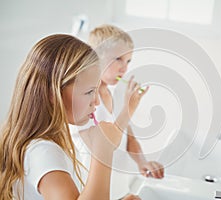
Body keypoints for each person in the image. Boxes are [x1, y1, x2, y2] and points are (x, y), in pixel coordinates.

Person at [0, 34, 145, 200]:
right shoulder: (43, 152)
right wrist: (103, 152)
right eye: (90, 92)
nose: (96, 101)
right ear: (52, 94)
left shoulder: (50, 143)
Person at [88, 24, 165, 199]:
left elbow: (129, 138)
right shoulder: (88, 101)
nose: (125, 68)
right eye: (118, 59)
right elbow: (106, 143)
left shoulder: (114, 94)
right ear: (95, 56)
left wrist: (142, 162)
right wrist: (129, 110)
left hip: (117, 189)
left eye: (128, 61)